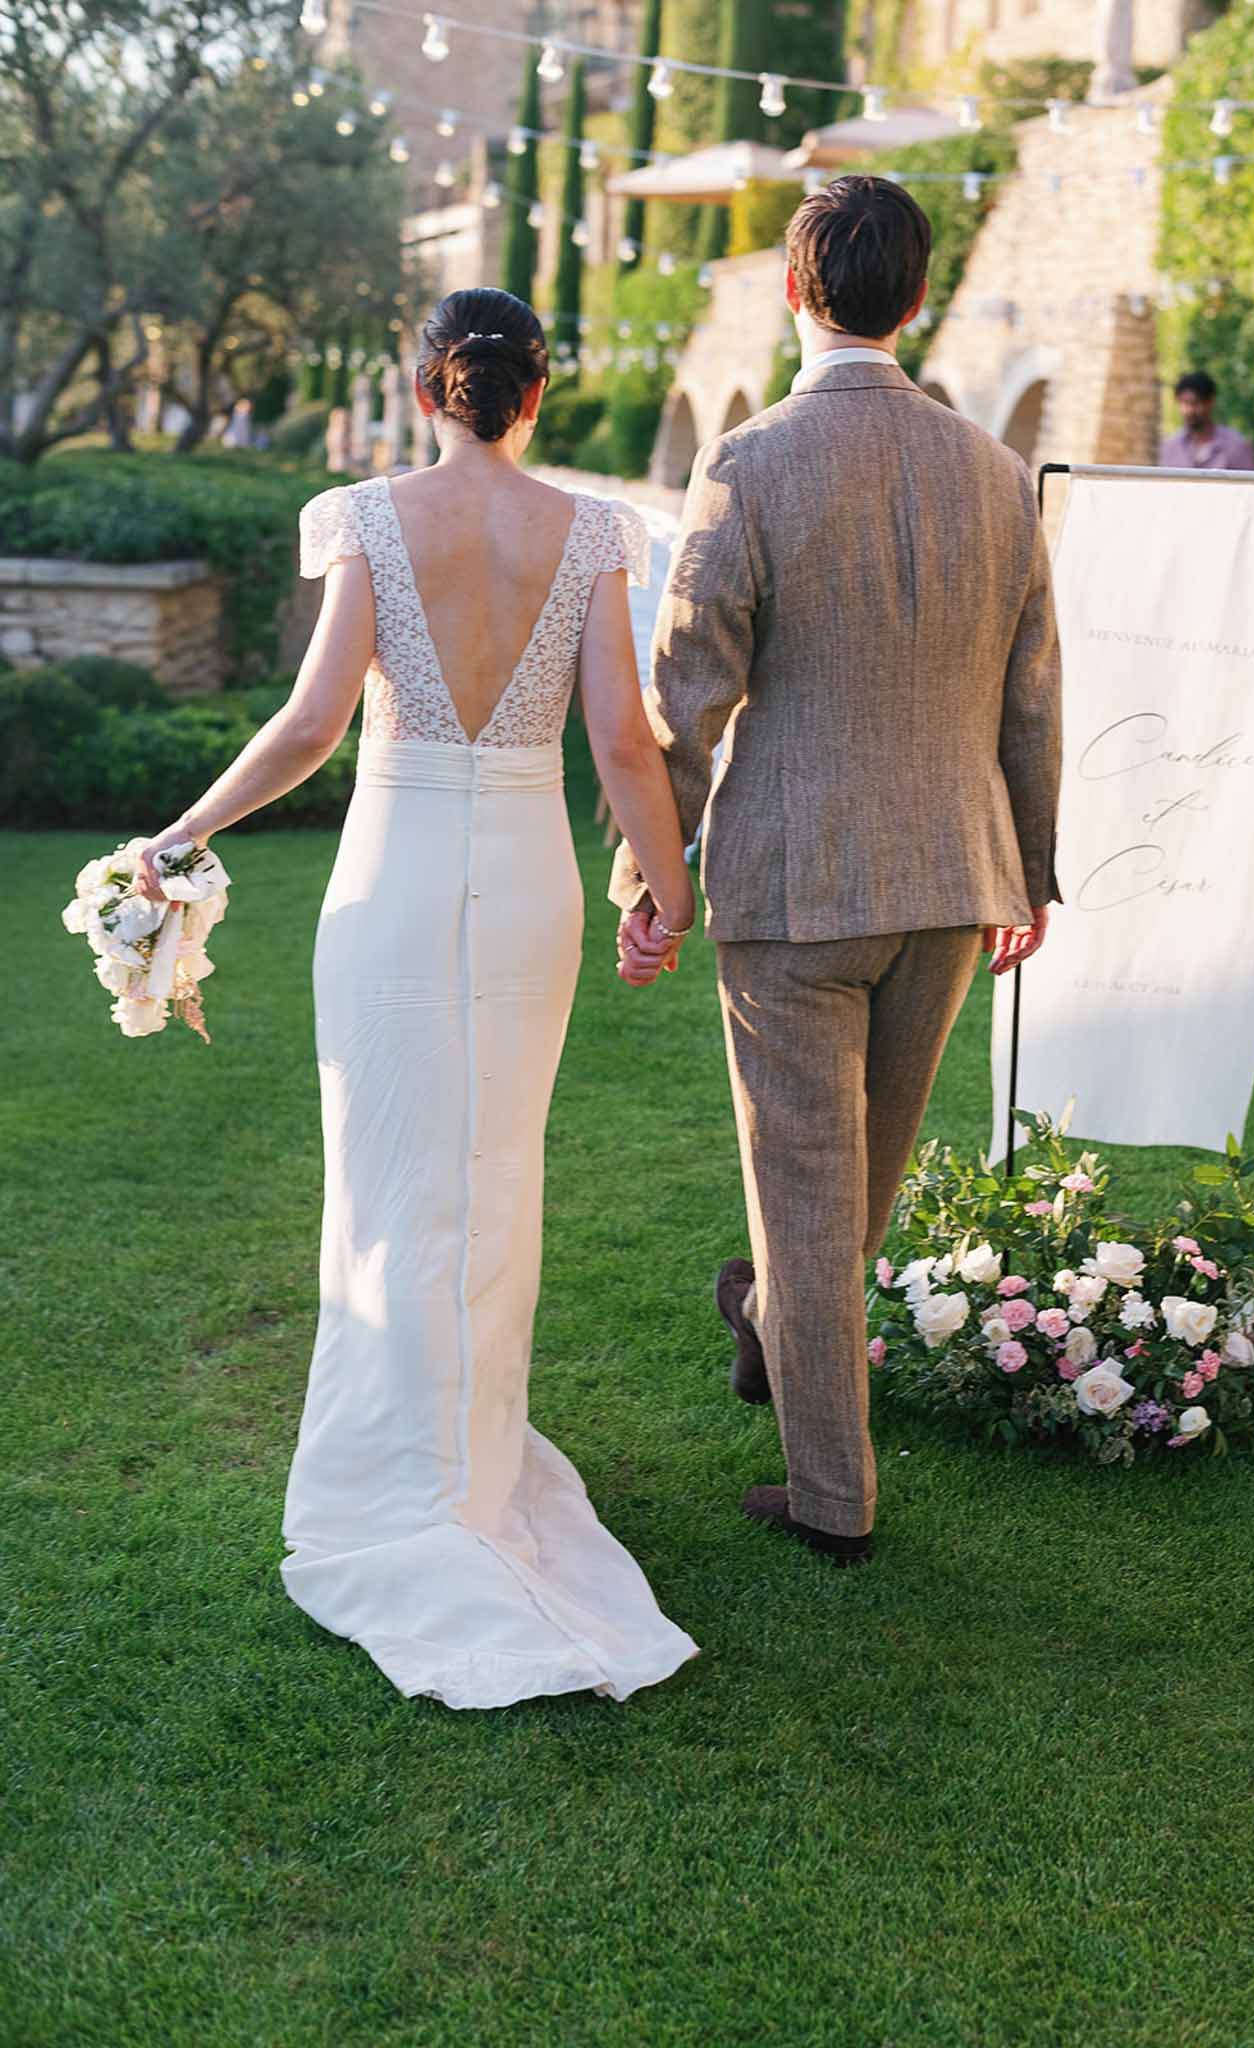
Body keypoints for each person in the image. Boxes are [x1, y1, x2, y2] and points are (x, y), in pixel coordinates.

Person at [133, 287, 699, 1708]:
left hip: (389, 877)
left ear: (430, 385)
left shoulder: (370, 517)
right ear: (536, 391)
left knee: (385, 1175)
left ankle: (410, 1471)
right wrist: (668, 890)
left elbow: (315, 723)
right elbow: (624, 741)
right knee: (495, 1174)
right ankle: (472, 1465)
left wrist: (182, 832)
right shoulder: (593, 534)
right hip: (524, 880)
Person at [611, 176, 1062, 1567]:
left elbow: (686, 694)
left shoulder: (747, 464)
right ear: (915, 299)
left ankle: (832, 1493)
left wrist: (649, 875)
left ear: (794, 294)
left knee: (813, 1193)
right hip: (947, 877)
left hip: (796, 882)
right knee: (853, 1186)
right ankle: (774, 1330)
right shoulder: (995, 470)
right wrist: (1031, 874)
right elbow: (1033, 693)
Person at [1158, 371, 1254, 472]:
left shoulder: (1236, 445)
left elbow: (1249, 486)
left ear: (1210, 402)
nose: (1189, 410)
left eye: (1195, 403)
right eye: (1184, 403)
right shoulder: (1171, 447)